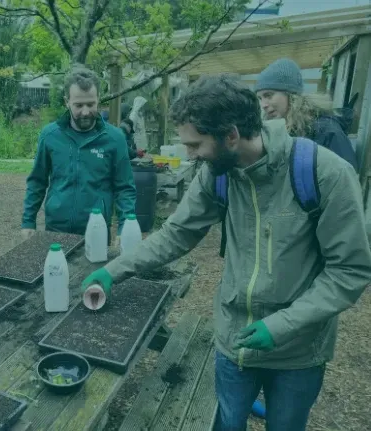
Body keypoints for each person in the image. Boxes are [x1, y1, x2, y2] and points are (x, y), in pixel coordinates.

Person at [80, 74, 371, 431]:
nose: (189, 154)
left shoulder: (324, 174)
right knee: (228, 423)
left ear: (231, 135)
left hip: (298, 352)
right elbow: (175, 234)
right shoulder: (216, 173)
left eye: (196, 144)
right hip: (235, 344)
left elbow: (349, 271)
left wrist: (282, 325)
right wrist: (115, 270)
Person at [21, 65, 136, 240]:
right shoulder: (50, 135)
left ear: (98, 99)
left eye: (91, 104)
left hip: (97, 230)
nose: (85, 111)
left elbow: (124, 188)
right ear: (67, 101)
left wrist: (124, 226)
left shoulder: (115, 138)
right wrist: (28, 221)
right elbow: (38, 180)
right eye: (78, 105)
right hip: (56, 228)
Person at [256, 58, 358, 169]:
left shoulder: (326, 130)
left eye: (268, 95)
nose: (263, 105)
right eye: (260, 98)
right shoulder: (276, 131)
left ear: (290, 94)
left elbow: (348, 176)